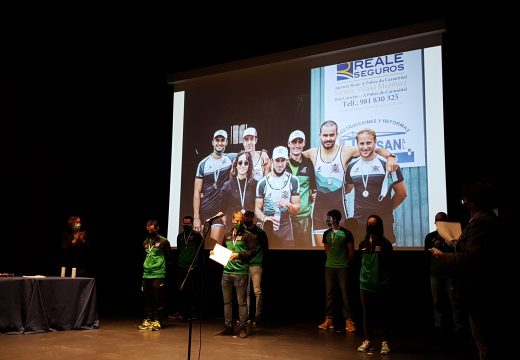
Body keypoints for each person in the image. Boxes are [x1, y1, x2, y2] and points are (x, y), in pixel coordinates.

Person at [430, 182, 501, 360]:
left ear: (471, 202)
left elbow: (472, 257)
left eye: (464, 200)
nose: (463, 204)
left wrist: (443, 256)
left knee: (484, 339)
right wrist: (457, 245)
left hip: (479, 287)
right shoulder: (483, 219)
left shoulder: (481, 221)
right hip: (477, 286)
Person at [302, 121, 397, 247]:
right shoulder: (312, 153)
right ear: (320, 135)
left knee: (342, 252)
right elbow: (293, 156)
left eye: (331, 135)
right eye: (325, 135)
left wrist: (391, 157)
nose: (328, 138)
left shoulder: (346, 151)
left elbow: (376, 149)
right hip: (319, 213)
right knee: (322, 251)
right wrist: (265, 153)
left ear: (337, 134)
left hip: (340, 211)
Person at [344, 128, 407, 244]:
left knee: (385, 259)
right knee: (363, 259)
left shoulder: (388, 165)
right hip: (360, 223)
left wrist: (387, 208)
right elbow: (348, 188)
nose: (365, 147)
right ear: (357, 145)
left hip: (383, 223)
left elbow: (402, 193)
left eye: (369, 143)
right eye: (361, 143)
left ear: (375, 142)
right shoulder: (352, 166)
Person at [214, 211, 257, 338]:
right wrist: (215, 254)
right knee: (227, 302)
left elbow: (253, 252)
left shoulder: (248, 236)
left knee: (241, 302)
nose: (239, 223)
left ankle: (243, 328)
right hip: (226, 272)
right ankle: (228, 327)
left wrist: (238, 255)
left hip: (241, 273)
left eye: (241, 221)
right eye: (237, 221)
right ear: (232, 220)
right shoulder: (227, 235)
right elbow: (223, 250)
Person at [193, 130, 236, 247]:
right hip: (204, 213)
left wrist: (263, 152)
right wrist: (196, 218)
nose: (220, 143)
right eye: (217, 140)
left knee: (215, 249)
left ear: (227, 142)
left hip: (219, 214)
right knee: (203, 250)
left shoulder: (230, 158)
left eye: (223, 141)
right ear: (213, 142)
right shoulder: (203, 164)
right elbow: (197, 192)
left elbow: (248, 153)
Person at [357, 215, 393, 355]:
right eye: (369, 223)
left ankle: (384, 342)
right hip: (365, 284)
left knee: (382, 313)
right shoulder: (363, 244)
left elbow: (389, 265)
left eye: (374, 223)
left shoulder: (385, 244)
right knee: (367, 314)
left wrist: (385, 281)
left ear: (379, 225)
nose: (371, 225)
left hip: (380, 284)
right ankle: (367, 340)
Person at [424, 211, 464, 334]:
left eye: (442, 220)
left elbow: (461, 253)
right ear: (435, 222)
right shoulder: (430, 236)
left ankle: (459, 326)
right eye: (437, 220)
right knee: (437, 301)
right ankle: (438, 325)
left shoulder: (455, 235)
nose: (439, 223)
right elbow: (426, 253)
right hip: (435, 273)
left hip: (451, 273)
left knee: (454, 301)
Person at [318, 209, 356, 333]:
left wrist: (344, 262)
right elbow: (326, 249)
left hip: (342, 267)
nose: (327, 220)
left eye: (328, 218)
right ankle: (329, 319)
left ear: (334, 219)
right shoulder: (326, 233)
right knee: (329, 294)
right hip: (329, 267)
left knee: (345, 295)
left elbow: (351, 251)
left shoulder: (346, 233)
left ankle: (348, 320)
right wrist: (332, 260)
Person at [255, 146, 300, 247]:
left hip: (286, 227)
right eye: (277, 160)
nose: (280, 164)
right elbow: (256, 209)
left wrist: (288, 205)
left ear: (287, 161)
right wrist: (265, 218)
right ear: (271, 161)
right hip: (267, 227)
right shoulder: (262, 182)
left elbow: (296, 209)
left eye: (283, 160)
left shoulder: (293, 180)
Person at [139, 219, 172, 331]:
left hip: (158, 273)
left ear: (157, 228)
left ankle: (157, 320)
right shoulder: (145, 242)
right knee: (147, 298)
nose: (150, 232)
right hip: (146, 274)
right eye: (148, 230)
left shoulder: (164, 241)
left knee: (158, 298)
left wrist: (160, 267)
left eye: (152, 230)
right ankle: (148, 319)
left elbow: (169, 258)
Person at [286, 130, 317, 248]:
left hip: (303, 218)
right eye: (294, 142)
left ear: (304, 143)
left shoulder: (309, 164)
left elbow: (314, 188)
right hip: (285, 219)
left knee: (304, 253)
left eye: (300, 142)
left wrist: (314, 195)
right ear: (289, 143)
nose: (297, 145)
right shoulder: (281, 163)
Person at [220, 150, 258, 232]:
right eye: (240, 163)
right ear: (236, 165)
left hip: (250, 228)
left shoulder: (255, 184)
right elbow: (222, 211)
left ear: (249, 166)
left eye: (246, 163)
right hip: (232, 227)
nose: (243, 165)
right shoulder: (227, 185)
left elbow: (257, 208)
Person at [174, 215, 203, 320]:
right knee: (181, 289)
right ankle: (181, 311)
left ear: (192, 224)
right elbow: (178, 250)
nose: (186, 225)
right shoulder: (180, 236)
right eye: (184, 224)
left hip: (192, 267)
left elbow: (200, 252)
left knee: (192, 290)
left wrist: (195, 265)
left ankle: (194, 312)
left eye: (188, 224)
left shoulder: (197, 236)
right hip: (181, 265)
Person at [244, 210, 268, 326]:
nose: (247, 219)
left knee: (257, 291)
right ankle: (248, 315)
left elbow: (265, 248)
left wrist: (261, 261)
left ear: (253, 218)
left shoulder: (260, 232)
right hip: (244, 265)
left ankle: (258, 316)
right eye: (245, 217)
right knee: (247, 292)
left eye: (249, 217)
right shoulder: (241, 232)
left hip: (256, 264)